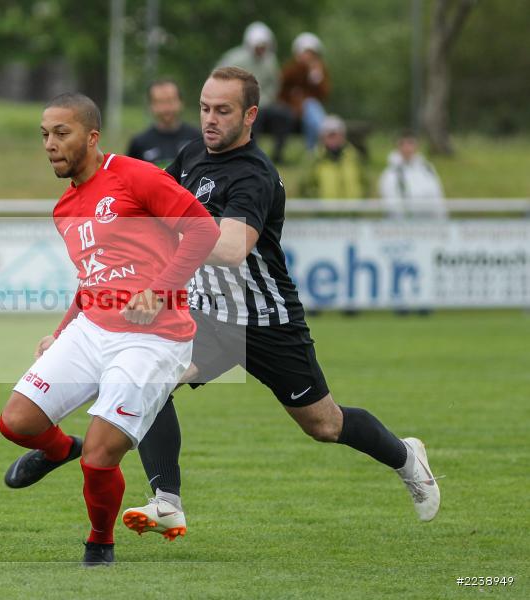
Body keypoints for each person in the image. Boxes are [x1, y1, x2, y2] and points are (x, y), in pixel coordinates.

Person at [119, 67, 439, 540]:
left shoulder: (255, 174)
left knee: (325, 425)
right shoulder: (189, 155)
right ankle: (166, 501)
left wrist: (177, 225)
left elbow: (231, 248)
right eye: (205, 108)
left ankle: (406, 456)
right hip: (208, 316)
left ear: (250, 115)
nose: (209, 119)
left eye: (222, 111)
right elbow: (149, 205)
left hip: (266, 321)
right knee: (149, 382)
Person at [0, 93, 219, 566]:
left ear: (92, 137)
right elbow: (90, 281)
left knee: (99, 456)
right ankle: (59, 451)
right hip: (91, 329)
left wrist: (158, 291)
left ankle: (100, 540)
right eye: (44, 135)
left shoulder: (135, 175)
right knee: (16, 422)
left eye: (62, 133)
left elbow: (202, 229)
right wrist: (60, 333)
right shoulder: (64, 210)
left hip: (154, 338)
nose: (50, 145)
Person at [215, 21, 294, 164]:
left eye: (264, 47)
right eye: (258, 46)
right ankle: (250, 153)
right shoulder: (234, 58)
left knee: (285, 114)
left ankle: (278, 154)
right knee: (253, 116)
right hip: (241, 102)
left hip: (264, 102)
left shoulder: (270, 60)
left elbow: (274, 84)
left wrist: (267, 99)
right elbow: (219, 79)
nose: (261, 50)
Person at [126, 79, 201, 168]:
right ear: (151, 105)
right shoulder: (139, 143)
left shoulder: (197, 138)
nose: (166, 108)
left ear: (181, 102)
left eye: (170, 100)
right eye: (160, 102)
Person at [279, 32, 330, 153]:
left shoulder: (319, 69)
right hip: (292, 109)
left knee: (312, 110)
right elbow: (281, 90)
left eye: (311, 53)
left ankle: (313, 149)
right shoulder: (291, 69)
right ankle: (316, 149)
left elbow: (324, 94)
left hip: (311, 108)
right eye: (306, 53)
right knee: (312, 112)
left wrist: (317, 79)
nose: (308, 56)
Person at [379, 130, 447, 220]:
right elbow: (391, 203)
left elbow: (437, 195)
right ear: (397, 146)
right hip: (401, 226)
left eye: (410, 143)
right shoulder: (390, 173)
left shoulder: (428, 169)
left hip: (429, 224)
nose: (407, 148)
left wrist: (442, 220)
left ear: (416, 146)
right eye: (402, 144)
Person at [300, 115, 369, 199]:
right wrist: (317, 201)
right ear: (322, 138)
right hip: (324, 211)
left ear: (343, 136)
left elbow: (366, 184)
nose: (334, 139)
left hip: (353, 210)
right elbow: (304, 187)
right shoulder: (315, 159)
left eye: (336, 135)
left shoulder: (354, 157)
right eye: (330, 136)